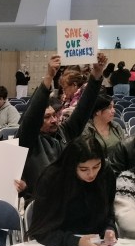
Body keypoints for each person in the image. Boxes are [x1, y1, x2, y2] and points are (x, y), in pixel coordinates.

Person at [18, 53, 106, 199]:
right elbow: (32, 117)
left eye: (55, 115)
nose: (54, 120)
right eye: (47, 117)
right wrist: (49, 77)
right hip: (44, 202)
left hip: (71, 197)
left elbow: (84, 108)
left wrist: (96, 74)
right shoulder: (27, 140)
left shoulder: (64, 131)